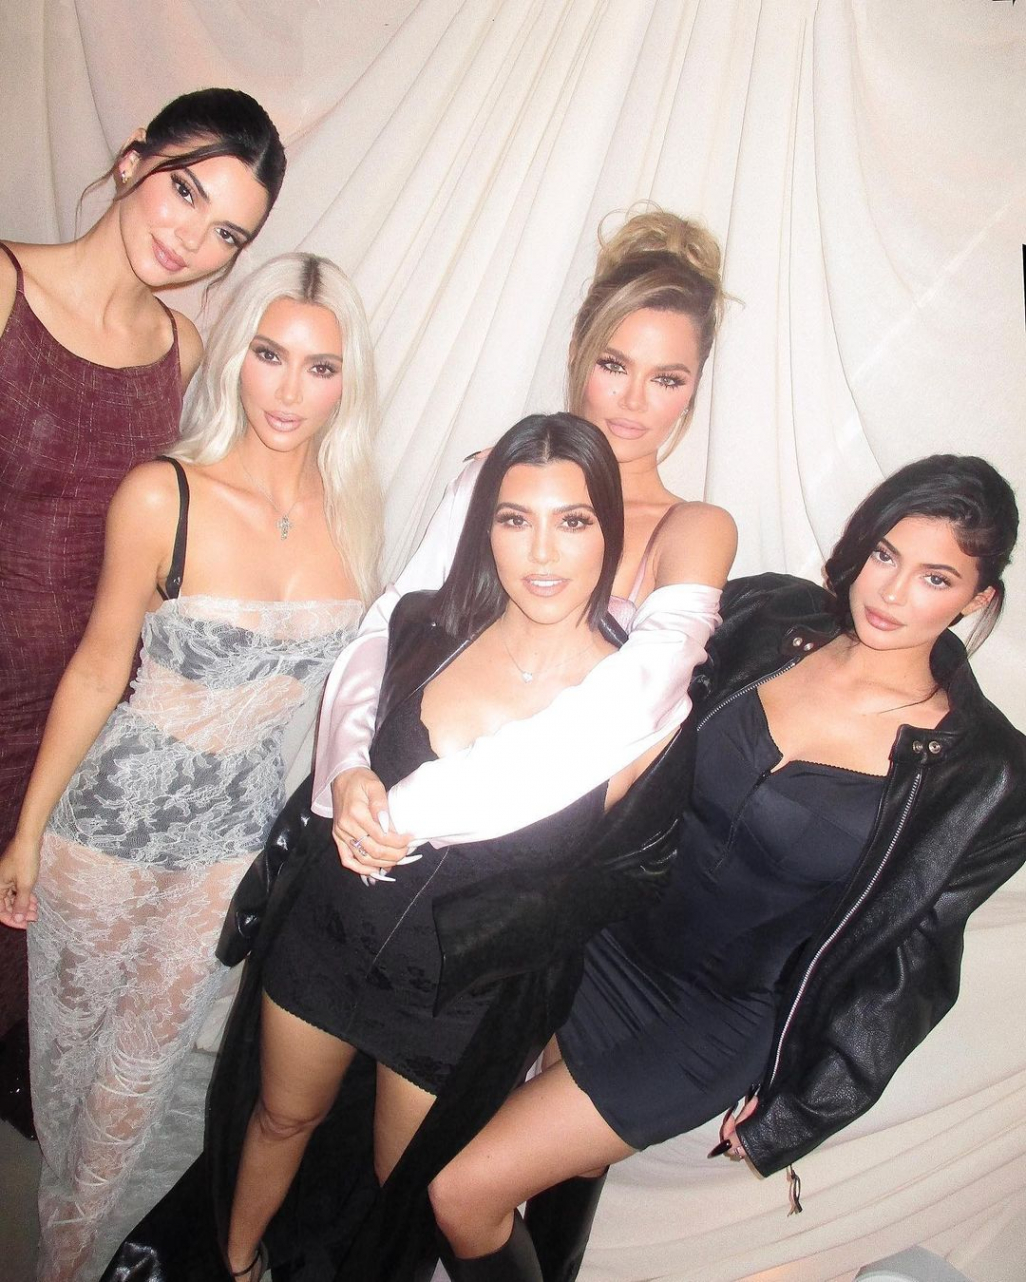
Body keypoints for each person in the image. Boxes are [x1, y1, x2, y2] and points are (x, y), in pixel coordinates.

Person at [425, 454, 1026, 1282]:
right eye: (886, 554)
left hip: (718, 1018)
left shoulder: (984, 776)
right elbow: (625, 709)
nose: (890, 593)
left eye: (935, 577)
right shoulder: (766, 616)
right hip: (602, 939)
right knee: (557, 1167)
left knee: (461, 1193)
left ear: (977, 598)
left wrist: (807, 1097)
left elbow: (912, 966)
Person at [215, 414, 699, 1282]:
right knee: (279, 1119)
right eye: (515, 519)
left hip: (454, 1002)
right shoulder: (429, 629)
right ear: (485, 529)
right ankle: (237, 1264)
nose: (541, 552)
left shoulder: (639, 717)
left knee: (406, 1192)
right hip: (328, 939)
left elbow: (616, 888)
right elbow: (351, 734)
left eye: (572, 520)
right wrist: (350, 776)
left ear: (609, 532)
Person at [0, 251, 379, 1282]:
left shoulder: (355, 514)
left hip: (229, 847)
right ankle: (64, 1252)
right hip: (110, 832)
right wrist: (29, 831)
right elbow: (98, 667)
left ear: (348, 381)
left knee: (150, 1073)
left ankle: (80, 1258)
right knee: (75, 1073)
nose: (289, 390)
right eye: (268, 354)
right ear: (235, 358)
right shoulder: (161, 492)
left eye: (320, 366)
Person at [0, 86, 286, 1136]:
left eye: (227, 233)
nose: (192, 240)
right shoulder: (6, 286)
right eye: (185, 190)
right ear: (133, 160)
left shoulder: (184, 353)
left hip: (81, 724)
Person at [314, 208, 736, 871]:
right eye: (614, 365)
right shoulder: (495, 478)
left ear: (693, 388)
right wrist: (346, 769)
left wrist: (407, 813)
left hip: (520, 865)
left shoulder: (693, 529)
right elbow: (391, 624)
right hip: (388, 795)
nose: (633, 401)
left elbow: (633, 703)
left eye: (666, 379)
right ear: (577, 354)